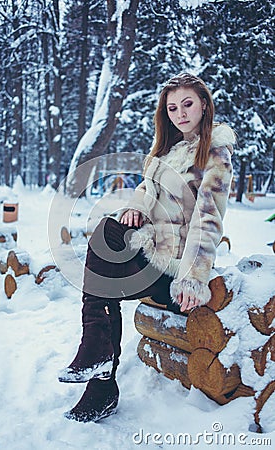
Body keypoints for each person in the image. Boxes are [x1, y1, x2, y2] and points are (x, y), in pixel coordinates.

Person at [58, 73, 235, 422]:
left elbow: (209, 218)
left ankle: (99, 371)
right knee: (106, 244)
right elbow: (145, 193)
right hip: (151, 251)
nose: (180, 113)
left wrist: (192, 277)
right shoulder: (164, 153)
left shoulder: (215, 151)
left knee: (102, 263)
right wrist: (135, 209)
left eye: (187, 104)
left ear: (203, 104)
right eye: (172, 108)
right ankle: (100, 375)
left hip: (174, 270)